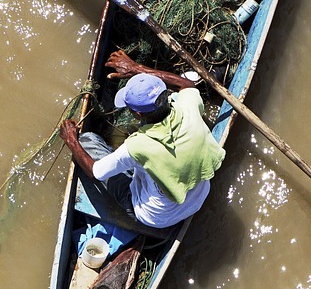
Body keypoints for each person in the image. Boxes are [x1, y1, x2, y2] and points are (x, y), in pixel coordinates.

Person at [59, 50, 226, 230]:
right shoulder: (189, 106)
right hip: (197, 199)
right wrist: (137, 68)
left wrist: (72, 140)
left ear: (138, 113)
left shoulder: (136, 145)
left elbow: (95, 172)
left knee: (88, 140)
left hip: (157, 218)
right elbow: (187, 84)